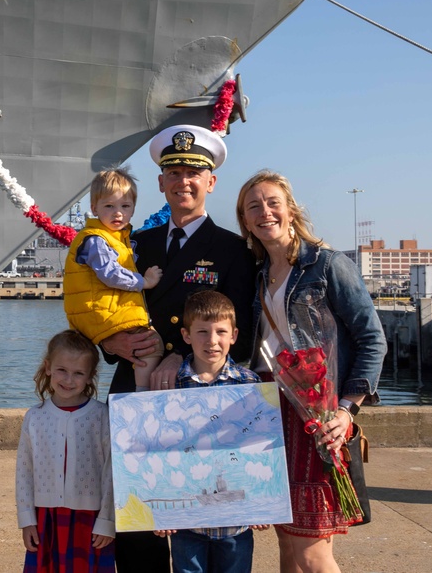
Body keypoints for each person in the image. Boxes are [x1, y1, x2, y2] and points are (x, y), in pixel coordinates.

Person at [100, 124, 257, 573]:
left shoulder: (232, 250)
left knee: (203, 521)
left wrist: (180, 355)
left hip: (201, 398)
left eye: (194, 173)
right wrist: (112, 341)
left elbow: (241, 333)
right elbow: (102, 305)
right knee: (139, 517)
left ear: (211, 182)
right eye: (174, 173)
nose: (183, 181)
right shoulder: (133, 245)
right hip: (136, 385)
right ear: (160, 182)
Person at [236, 170, 386, 573]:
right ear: (246, 221)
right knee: (288, 544)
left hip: (316, 416)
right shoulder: (258, 275)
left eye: (272, 203)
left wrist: (346, 410)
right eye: (254, 207)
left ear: (290, 210)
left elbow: (373, 339)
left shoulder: (327, 265)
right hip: (271, 414)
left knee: (312, 552)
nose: (265, 212)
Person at [153, 290, 269, 573]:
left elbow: (262, 446)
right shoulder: (172, 384)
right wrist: (158, 511)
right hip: (186, 522)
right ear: (186, 335)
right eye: (202, 332)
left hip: (236, 523)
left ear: (234, 335)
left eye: (220, 331)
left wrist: (264, 501)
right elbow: (158, 447)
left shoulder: (249, 383)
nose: (212, 340)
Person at [15, 330, 115, 573]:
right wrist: (27, 520)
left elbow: (112, 471)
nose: (69, 380)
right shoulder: (35, 417)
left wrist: (107, 520)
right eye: (62, 370)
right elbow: (24, 472)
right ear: (48, 367)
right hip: (45, 520)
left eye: (78, 373)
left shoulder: (101, 416)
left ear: (90, 377)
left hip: (91, 520)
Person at [64, 167, 163, 391]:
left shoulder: (117, 238)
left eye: (125, 206)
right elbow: (110, 274)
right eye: (109, 206)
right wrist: (144, 282)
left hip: (101, 311)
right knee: (152, 345)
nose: (118, 213)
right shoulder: (97, 240)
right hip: (101, 313)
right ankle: (142, 394)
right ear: (94, 208)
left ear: (133, 209)